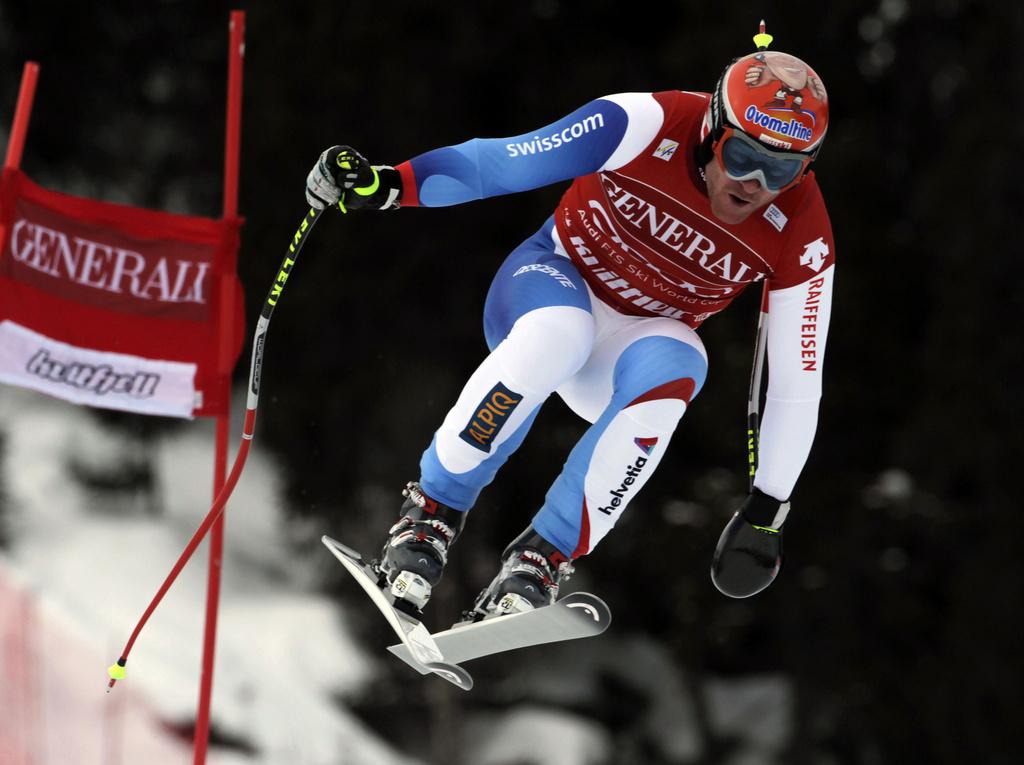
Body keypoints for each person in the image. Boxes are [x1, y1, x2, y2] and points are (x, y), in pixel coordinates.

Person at [305, 25, 834, 619]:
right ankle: (427, 519)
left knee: (685, 359)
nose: (754, 186)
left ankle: (540, 562)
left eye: (781, 173)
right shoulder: (645, 123)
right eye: (742, 158)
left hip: (626, 352)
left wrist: (768, 509)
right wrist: (388, 185)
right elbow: (501, 163)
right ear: (712, 128)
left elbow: (795, 380)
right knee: (561, 333)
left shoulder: (803, 230)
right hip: (548, 284)